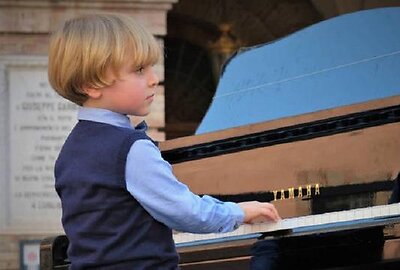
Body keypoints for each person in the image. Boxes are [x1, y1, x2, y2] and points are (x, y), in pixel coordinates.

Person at [48, 13, 281, 269]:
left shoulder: (70, 151)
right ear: (91, 84)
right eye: (139, 70)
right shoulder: (130, 148)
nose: (154, 79)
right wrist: (240, 212)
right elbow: (188, 213)